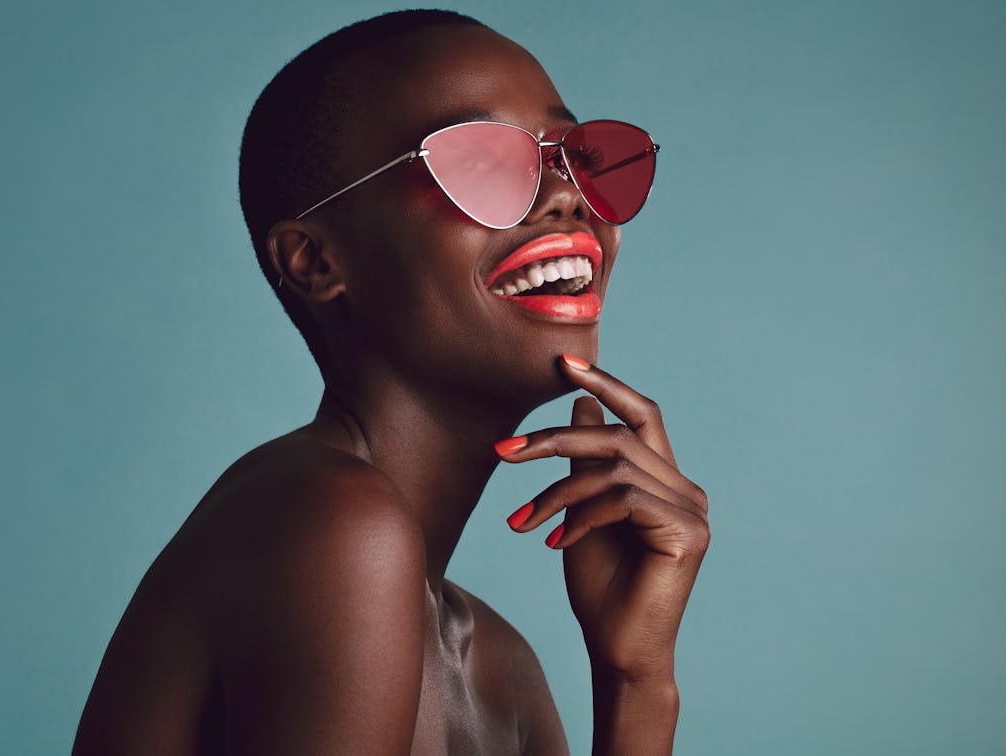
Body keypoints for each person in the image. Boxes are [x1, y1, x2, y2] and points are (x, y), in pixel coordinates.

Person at [73, 9, 709, 755]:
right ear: (317, 261)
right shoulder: (336, 524)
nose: (566, 196)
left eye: (579, 158)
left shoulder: (501, 670)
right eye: (481, 163)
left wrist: (637, 678)